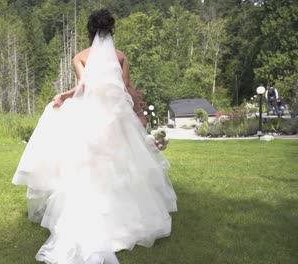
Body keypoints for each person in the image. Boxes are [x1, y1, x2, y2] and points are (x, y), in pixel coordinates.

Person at [12, 9, 177, 264]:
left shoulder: (80, 57)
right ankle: (124, 218)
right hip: (117, 118)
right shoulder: (121, 56)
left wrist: (64, 96)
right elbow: (127, 88)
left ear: (89, 32)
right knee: (123, 166)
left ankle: (86, 215)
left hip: (91, 118)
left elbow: (83, 87)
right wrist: (139, 113)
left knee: (88, 168)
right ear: (110, 31)